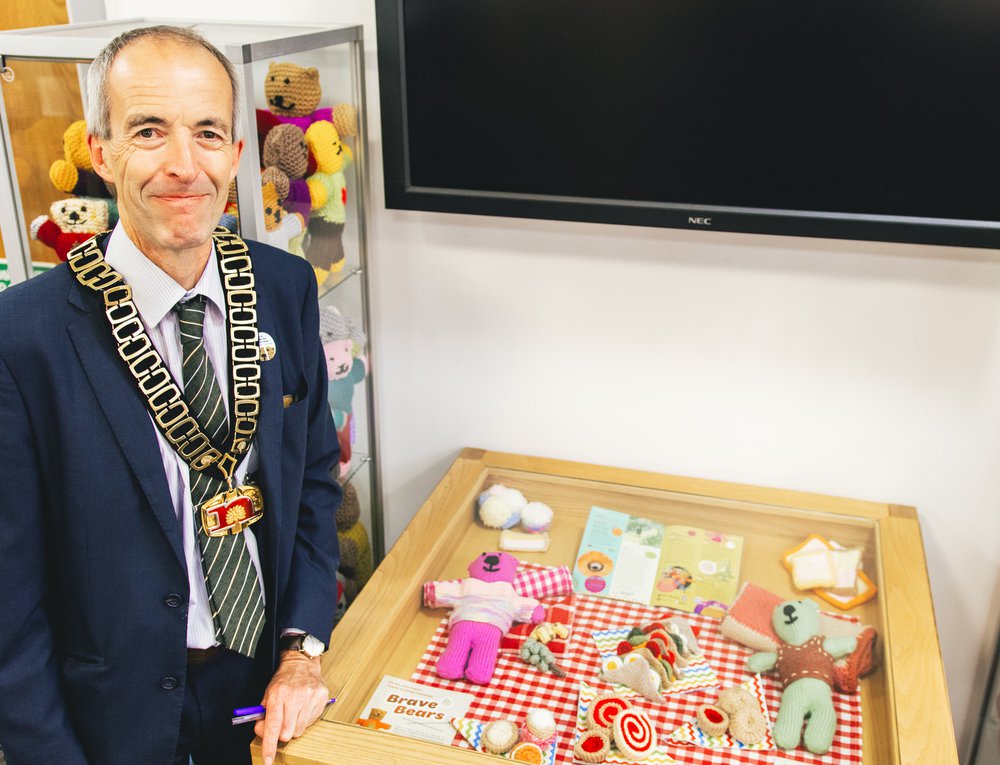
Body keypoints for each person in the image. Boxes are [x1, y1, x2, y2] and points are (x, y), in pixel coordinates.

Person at [0, 25, 342, 765]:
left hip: (259, 695)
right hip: (106, 717)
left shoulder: (283, 289)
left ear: (238, 155)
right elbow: (9, 608)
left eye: (208, 133)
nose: (183, 165)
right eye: (148, 131)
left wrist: (303, 649)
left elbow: (314, 479)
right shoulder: (21, 338)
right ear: (100, 150)